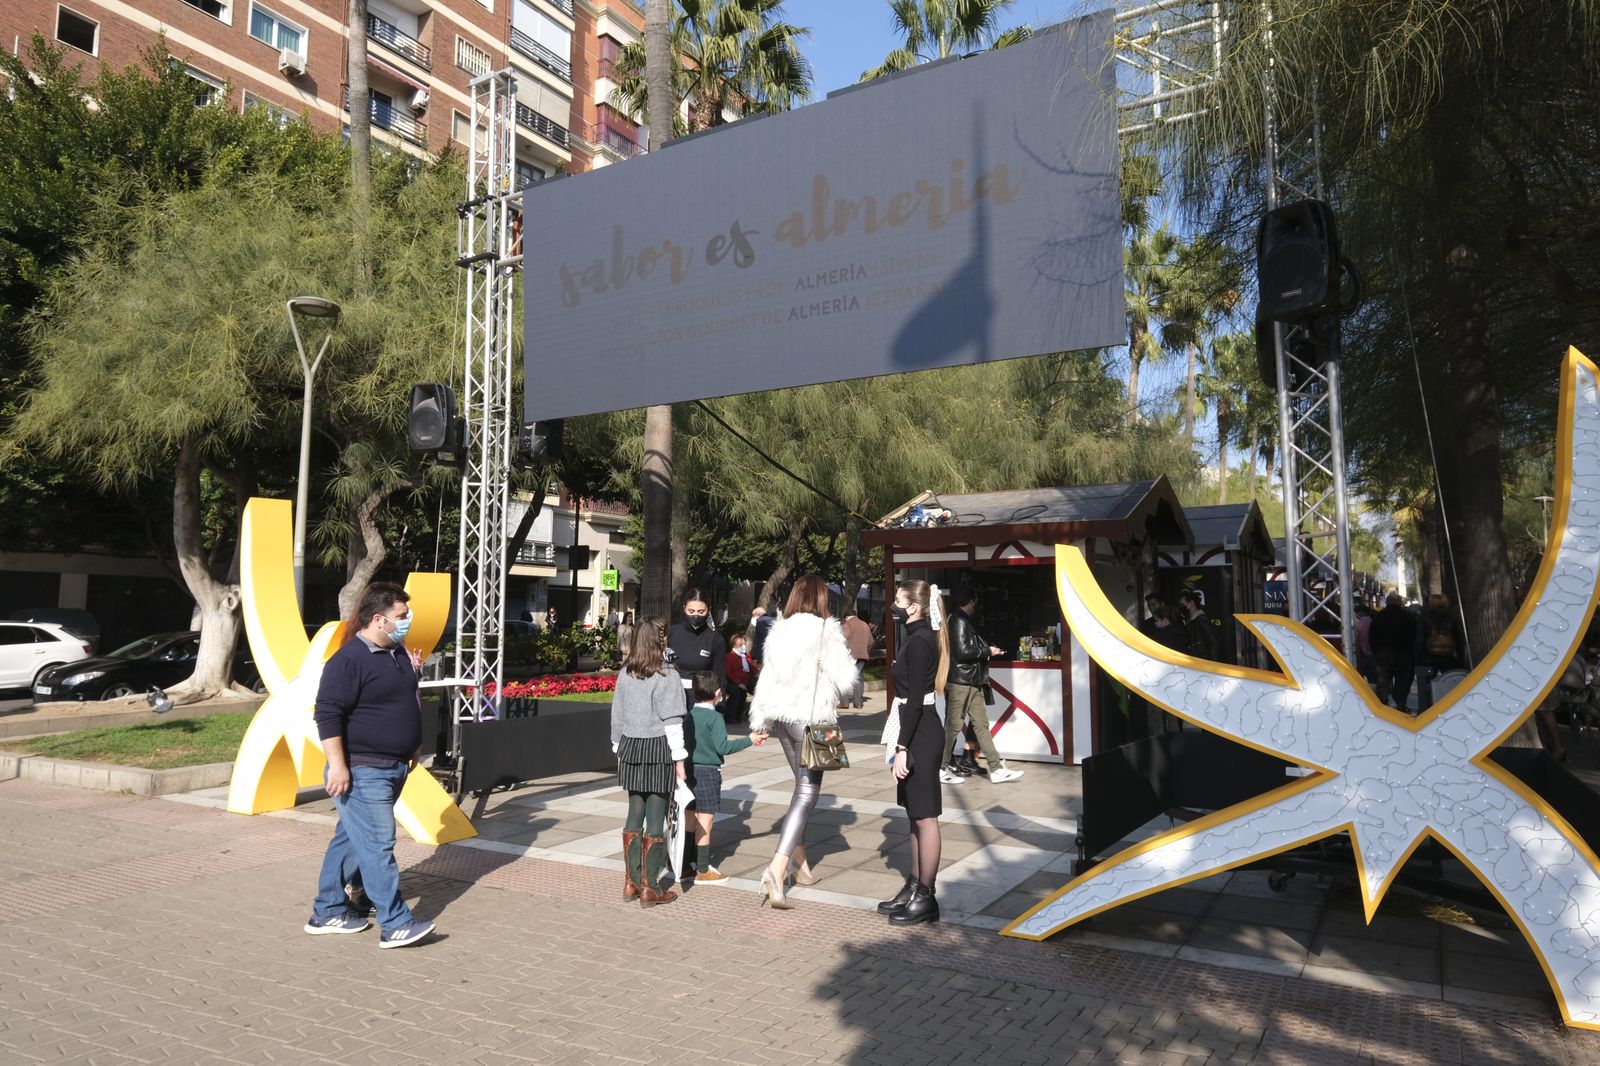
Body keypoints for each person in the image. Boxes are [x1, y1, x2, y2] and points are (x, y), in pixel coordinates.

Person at [304, 581, 435, 948]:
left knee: (349, 840)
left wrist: (413, 744)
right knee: (379, 843)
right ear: (378, 619)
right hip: (363, 770)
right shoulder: (347, 660)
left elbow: (396, 703)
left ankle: (328, 910)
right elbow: (328, 715)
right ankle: (395, 923)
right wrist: (339, 767)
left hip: (393, 766)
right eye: (401, 616)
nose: (407, 621)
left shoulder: (397, 653)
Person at [748, 574, 858, 909]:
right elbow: (845, 679)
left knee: (800, 786)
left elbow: (767, 676)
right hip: (811, 720)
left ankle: (802, 866)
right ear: (822, 599)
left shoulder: (779, 629)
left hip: (782, 718)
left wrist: (761, 720)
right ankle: (777, 869)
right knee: (808, 792)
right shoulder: (826, 629)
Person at [878, 579, 949, 926]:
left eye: (897, 600)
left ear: (913, 607)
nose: (892, 604)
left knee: (925, 815)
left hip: (920, 732)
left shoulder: (920, 641)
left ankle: (927, 895)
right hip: (913, 726)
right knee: (913, 813)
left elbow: (918, 701)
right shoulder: (915, 636)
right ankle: (914, 885)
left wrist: (903, 748)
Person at [610, 616, 687, 908]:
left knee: (634, 813)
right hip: (658, 748)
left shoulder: (625, 673)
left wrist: (618, 748)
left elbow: (616, 716)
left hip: (630, 746)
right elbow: (672, 722)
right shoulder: (668, 675)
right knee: (656, 818)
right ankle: (651, 887)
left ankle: (631, 881)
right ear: (659, 639)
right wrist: (679, 760)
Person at [686, 671, 766, 884]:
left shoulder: (688, 715)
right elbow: (723, 747)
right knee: (705, 819)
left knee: (689, 817)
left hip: (687, 771)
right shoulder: (715, 717)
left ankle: (684, 863)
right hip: (708, 772)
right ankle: (703, 869)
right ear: (719, 693)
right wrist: (750, 740)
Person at [940, 588, 1022, 786]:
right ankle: (940, 767)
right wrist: (987, 651)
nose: (976, 605)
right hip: (961, 681)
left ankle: (995, 768)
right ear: (969, 601)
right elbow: (962, 651)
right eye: (975, 601)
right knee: (953, 725)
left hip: (971, 680)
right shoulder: (958, 620)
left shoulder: (960, 619)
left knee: (981, 724)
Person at [667, 589, 727, 710]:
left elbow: (719, 676)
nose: (696, 615)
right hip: (671, 698)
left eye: (701, 611)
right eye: (691, 611)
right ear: (684, 608)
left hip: (701, 701)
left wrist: (720, 706)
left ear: (708, 609)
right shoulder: (671, 633)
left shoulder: (715, 639)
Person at [1414, 593, 1468, 711]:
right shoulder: (1452, 619)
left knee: (1426, 685)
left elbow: (1420, 640)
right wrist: (1460, 658)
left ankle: (1427, 709)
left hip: (1428, 658)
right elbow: (1459, 640)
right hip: (1448, 657)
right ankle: (1450, 707)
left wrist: (1417, 658)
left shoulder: (1424, 618)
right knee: (1450, 684)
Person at [1369, 591, 1417, 711]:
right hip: (1403, 653)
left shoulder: (1379, 617)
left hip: (1383, 653)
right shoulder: (1407, 617)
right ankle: (1400, 705)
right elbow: (1414, 636)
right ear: (1399, 602)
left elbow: (1372, 636)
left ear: (1387, 602)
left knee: (1384, 682)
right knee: (1402, 681)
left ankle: (1382, 706)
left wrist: (1376, 651)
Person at [840, 609, 873, 710]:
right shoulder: (865, 625)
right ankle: (858, 703)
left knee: (844, 678)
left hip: (848, 656)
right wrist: (865, 650)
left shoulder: (847, 624)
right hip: (862, 655)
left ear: (846, 617)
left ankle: (844, 703)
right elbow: (871, 641)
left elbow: (842, 639)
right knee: (858, 678)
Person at [723, 632, 758, 722]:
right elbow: (728, 673)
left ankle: (749, 713)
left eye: (743, 644)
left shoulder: (746, 656)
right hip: (733, 682)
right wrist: (739, 683)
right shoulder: (729, 657)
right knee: (738, 691)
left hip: (747, 682)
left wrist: (758, 673)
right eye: (740, 645)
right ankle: (730, 716)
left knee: (761, 690)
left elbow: (752, 668)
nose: (743, 647)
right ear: (734, 645)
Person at [1177, 589, 1219, 661]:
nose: (1180, 608)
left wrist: (1212, 663)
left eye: (1182, 605)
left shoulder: (1201, 620)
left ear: (1192, 603)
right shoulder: (1191, 622)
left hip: (1204, 664)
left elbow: (1214, 642)